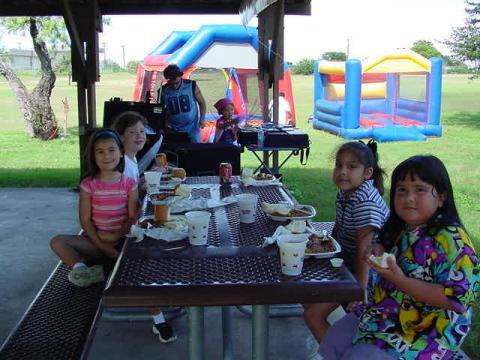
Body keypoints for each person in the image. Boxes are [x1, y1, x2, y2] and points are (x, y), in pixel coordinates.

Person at [319, 155, 479, 359]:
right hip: (385, 312)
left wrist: (400, 280)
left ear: (441, 197)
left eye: (419, 189)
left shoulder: (453, 242)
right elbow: (381, 247)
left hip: (426, 329)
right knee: (335, 339)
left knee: (363, 355)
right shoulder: (401, 228)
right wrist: (375, 249)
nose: (408, 198)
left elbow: (455, 300)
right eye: (402, 190)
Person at [304, 140, 389, 343]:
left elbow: (365, 249)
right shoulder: (345, 192)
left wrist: (358, 292)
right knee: (306, 289)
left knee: (313, 315)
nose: (342, 172)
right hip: (349, 261)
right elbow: (339, 226)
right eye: (338, 165)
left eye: (351, 167)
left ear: (367, 173)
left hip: (372, 273)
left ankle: (336, 353)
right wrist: (326, 246)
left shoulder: (364, 201)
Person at [112, 111, 177, 343]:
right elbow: (122, 197)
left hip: (135, 218)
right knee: (147, 260)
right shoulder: (119, 162)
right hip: (125, 227)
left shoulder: (130, 159)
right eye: (133, 133)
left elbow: (133, 188)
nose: (139, 136)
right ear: (120, 136)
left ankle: (173, 291)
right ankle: (159, 319)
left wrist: (148, 178)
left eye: (142, 131)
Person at [50, 129, 138, 287]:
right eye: (100, 152)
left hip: (122, 242)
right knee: (57, 242)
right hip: (96, 242)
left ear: (120, 152)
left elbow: (132, 218)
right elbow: (85, 220)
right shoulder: (88, 185)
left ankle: (103, 265)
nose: (107, 156)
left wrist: (116, 235)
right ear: (93, 156)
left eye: (111, 150)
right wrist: (102, 245)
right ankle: (82, 271)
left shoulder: (129, 184)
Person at [159, 64, 206, 143]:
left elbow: (202, 103)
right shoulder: (163, 90)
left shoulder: (191, 85)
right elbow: (162, 110)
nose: (174, 86)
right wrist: (165, 124)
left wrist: (202, 118)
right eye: (171, 83)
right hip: (173, 130)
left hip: (192, 128)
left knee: (196, 152)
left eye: (177, 83)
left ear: (181, 76)